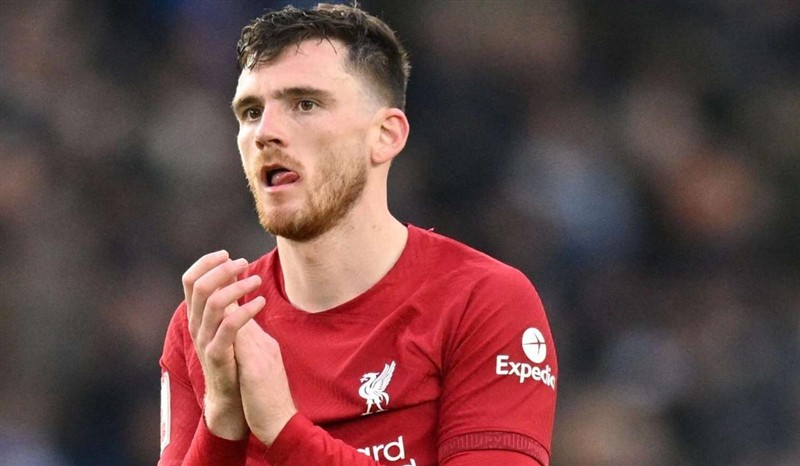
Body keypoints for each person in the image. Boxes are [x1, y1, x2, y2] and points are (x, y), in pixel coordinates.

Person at [158, 3, 557, 465]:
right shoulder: (214, 321)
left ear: (386, 135)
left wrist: (284, 430)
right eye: (251, 112)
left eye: (305, 104)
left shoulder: (480, 301)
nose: (265, 132)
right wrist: (222, 420)